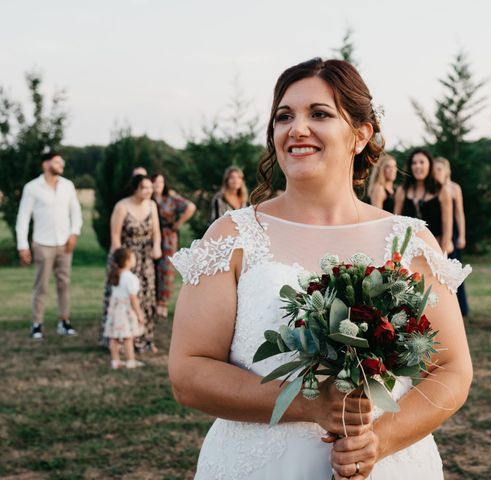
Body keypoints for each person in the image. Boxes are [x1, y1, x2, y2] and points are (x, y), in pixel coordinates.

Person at [168, 58, 472, 479]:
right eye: (284, 116)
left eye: (320, 114)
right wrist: (307, 402)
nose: (297, 129)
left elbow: (453, 368)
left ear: (361, 134)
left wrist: (380, 441)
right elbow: (188, 372)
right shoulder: (232, 236)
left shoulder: (409, 241)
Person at [16, 151, 82, 340]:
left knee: (64, 284)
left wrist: (74, 234)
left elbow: (76, 212)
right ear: (46, 165)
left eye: (62, 161)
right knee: (41, 286)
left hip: (64, 243)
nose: (61, 164)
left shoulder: (67, 186)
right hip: (43, 244)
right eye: (57, 161)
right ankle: (37, 324)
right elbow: (23, 217)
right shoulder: (32, 188)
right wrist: (23, 246)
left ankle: (64, 322)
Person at [100, 175, 161, 352]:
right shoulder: (122, 206)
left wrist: (157, 247)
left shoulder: (152, 205)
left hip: (145, 259)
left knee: (146, 298)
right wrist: (121, 264)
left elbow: (156, 231)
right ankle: (119, 341)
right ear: (135, 189)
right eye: (144, 188)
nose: (149, 191)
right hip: (126, 257)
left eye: (150, 187)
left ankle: (145, 339)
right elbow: (115, 236)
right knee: (124, 298)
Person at [151, 173, 196, 319]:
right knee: (151, 268)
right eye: (155, 182)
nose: (157, 185)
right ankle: (151, 300)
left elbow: (190, 206)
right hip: (150, 236)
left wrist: (179, 223)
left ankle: (162, 303)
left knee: (166, 269)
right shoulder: (147, 199)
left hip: (168, 235)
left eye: (161, 182)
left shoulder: (170, 199)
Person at [394, 149, 453, 255]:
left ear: (430, 165)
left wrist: (442, 255)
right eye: (414, 163)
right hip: (407, 251)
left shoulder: (442, 191)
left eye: (422, 162)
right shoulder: (402, 191)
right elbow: (395, 223)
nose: (418, 166)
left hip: (434, 249)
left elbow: (447, 227)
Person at [432, 157, 469, 316]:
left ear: (447, 171)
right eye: (434, 169)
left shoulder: (454, 188)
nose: (436, 172)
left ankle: (460, 307)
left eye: (440, 169)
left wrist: (461, 235)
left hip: (450, 233)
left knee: (453, 270)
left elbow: (459, 213)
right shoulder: (432, 189)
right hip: (436, 231)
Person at [105, 247, 145, 369]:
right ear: (127, 261)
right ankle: (130, 361)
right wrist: (139, 314)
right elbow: (133, 299)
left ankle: (115, 361)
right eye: (133, 258)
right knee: (128, 337)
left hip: (114, 311)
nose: (135, 260)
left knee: (114, 337)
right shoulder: (130, 278)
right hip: (125, 312)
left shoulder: (115, 275)